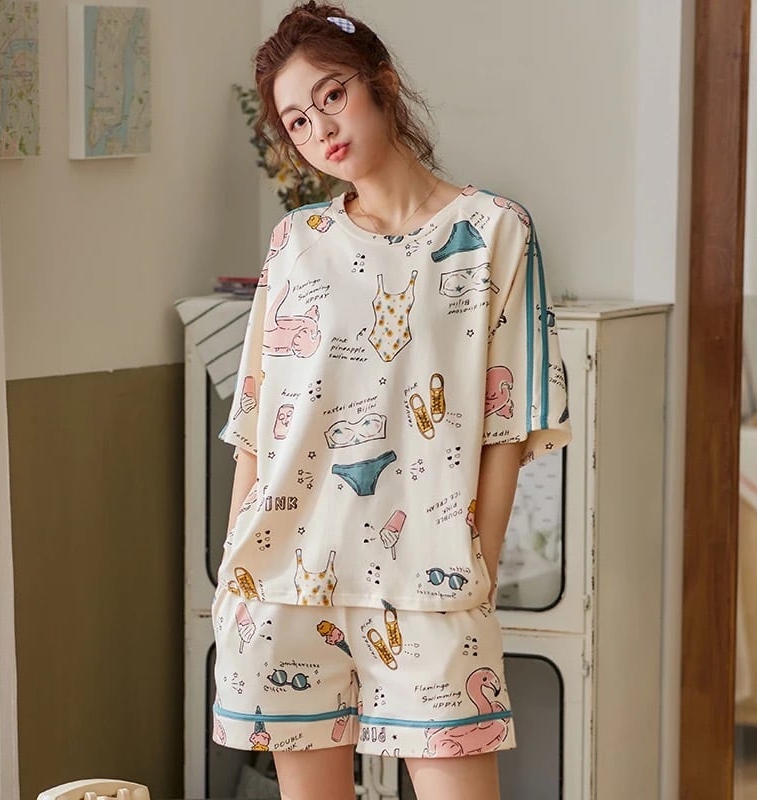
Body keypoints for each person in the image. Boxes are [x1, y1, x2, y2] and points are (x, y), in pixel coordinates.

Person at [211, 3, 571, 798]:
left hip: (431, 587)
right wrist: (234, 569)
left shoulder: (495, 231)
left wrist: (475, 568)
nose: (320, 129)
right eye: (297, 121)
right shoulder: (295, 242)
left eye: (332, 96)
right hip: (282, 584)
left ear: (382, 82)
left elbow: (509, 424)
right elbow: (257, 425)